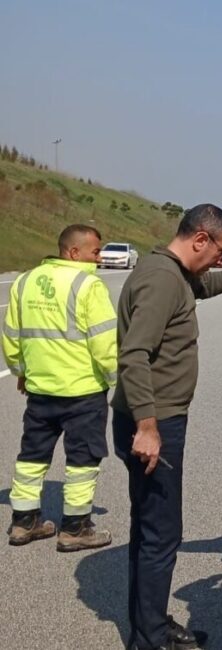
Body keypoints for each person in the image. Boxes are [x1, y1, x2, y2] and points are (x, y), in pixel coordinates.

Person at [112, 204, 222, 650]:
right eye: (221, 252)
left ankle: (149, 626)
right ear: (199, 239)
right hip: (154, 423)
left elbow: (206, 284)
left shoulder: (171, 272)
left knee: (150, 529)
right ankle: (150, 640)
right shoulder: (160, 280)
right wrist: (149, 427)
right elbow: (134, 355)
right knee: (161, 535)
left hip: (154, 417)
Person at [3, 224, 116, 551]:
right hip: (83, 391)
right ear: (73, 252)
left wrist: (21, 371)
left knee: (32, 456)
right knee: (82, 460)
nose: (99, 257)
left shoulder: (25, 281)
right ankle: (75, 529)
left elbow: (12, 334)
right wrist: (117, 381)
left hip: (40, 390)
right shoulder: (88, 285)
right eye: (95, 251)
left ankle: (23, 523)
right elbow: (104, 342)